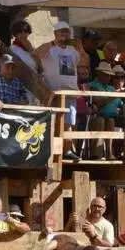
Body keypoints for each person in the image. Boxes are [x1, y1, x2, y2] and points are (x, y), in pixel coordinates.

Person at [34, 21, 81, 159]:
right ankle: (50, 152)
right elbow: (36, 54)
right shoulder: (50, 48)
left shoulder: (72, 50)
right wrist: (53, 43)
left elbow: (84, 61)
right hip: (53, 92)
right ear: (55, 33)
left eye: (66, 31)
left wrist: (80, 45)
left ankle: (66, 151)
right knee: (52, 123)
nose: (64, 34)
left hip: (69, 92)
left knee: (68, 123)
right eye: (61, 31)